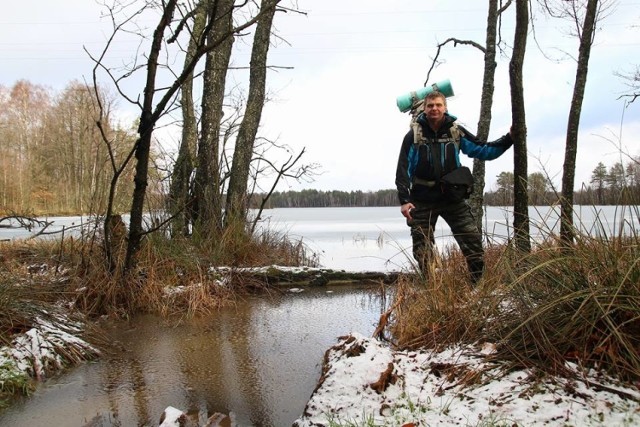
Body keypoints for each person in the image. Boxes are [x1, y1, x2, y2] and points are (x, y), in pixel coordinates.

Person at [395, 91, 513, 283]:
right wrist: (404, 201)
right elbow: (402, 169)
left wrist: (509, 138)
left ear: (445, 107)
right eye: (430, 105)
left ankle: (477, 287)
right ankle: (432, 289)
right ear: (424, 108)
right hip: (422, 201)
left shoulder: (455, 131)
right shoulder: (414, 135)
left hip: (452, 198)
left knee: (472, 241)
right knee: (422, 250)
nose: (435, 108)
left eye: (438, 105)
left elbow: (483, 150)